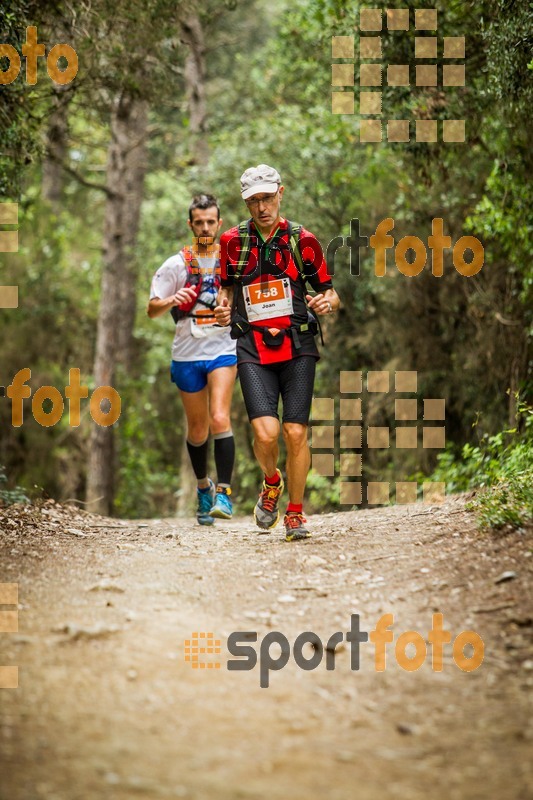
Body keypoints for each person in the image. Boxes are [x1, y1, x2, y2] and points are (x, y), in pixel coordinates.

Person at [214, 165, 339, 541]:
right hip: (252, 344)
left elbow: (330, 291)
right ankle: (272, 484)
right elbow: (226, 290)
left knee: (295, 432)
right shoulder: (232, 242)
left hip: (298, 343)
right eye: (254, 201)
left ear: (280, 193)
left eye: (267, 198)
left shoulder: (304, 240)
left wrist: (327, 303)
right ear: (246, 203)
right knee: (266, 434)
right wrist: (222, 309)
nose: (262, 206)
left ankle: (296, 514)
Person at [148, 194, 237, 525]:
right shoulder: (176, 265)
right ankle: (204, 486)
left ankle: (224, 495)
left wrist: (231, 312)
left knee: (219, 417)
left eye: (210, 221)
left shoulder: (232, 261)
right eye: (198, 222)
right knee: (198, 428)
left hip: (223, 348)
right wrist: (174, 298)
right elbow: (152, 309)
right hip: (186, 353)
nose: (205, 227)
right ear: (190, 224)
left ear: (219, 223)